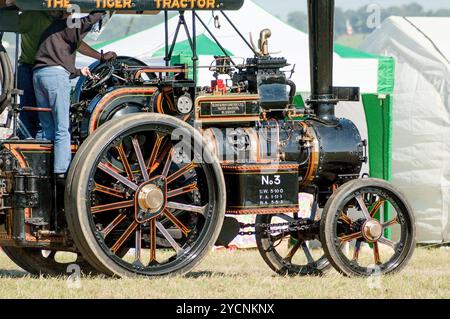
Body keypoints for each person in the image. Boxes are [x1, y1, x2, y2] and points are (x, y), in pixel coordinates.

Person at [33, 11, 115, 180]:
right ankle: (62, 172)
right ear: (66, 14)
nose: (73, 15)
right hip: (55, 77)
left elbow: (57, 60)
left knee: (47, 127)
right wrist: (102, 9)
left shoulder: (52, 30)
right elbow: (85, 23)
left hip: (39, 76)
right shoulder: (67, 25)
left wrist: (79, 71)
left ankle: (42, 169)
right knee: (63, 127)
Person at [18, 11, 116, 139]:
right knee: (44, 121)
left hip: (38, 71)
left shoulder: (61, 21)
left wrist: (100, 57)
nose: (70, 12)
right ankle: (31, 150)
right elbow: (82, 30)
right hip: (32, 69)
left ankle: (40, 152)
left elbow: (75, 41)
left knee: (46, 123)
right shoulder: (32, 15)